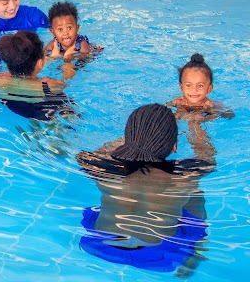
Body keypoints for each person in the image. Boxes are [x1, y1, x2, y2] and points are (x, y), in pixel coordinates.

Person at [76, 104, 216, 277]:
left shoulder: (104, 172)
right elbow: (207, 157)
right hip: (158, 252)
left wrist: (132, 142)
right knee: (196, 193)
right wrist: (195, 124)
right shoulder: (183, 179)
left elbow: (92, 154)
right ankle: (196, 249)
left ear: (127, 138)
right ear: (174, 146)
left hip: (104, 244)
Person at [0, 31, 76, 121]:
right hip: (49, 113)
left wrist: (50, 58)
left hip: (19, 110)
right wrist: (68, 63)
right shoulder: (50, 85)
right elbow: (67, 82)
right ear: (40, 63)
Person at [167, 53, 234, 121]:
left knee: (197, 119)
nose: (194, 90)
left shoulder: (208, 105)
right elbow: (162, 109)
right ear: (181, 87)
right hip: (183, 112)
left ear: (209, 89)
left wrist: (206, 118)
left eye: (200, 86)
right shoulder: (179, 102)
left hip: (203, 115)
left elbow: (230, 115)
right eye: (188, 85)